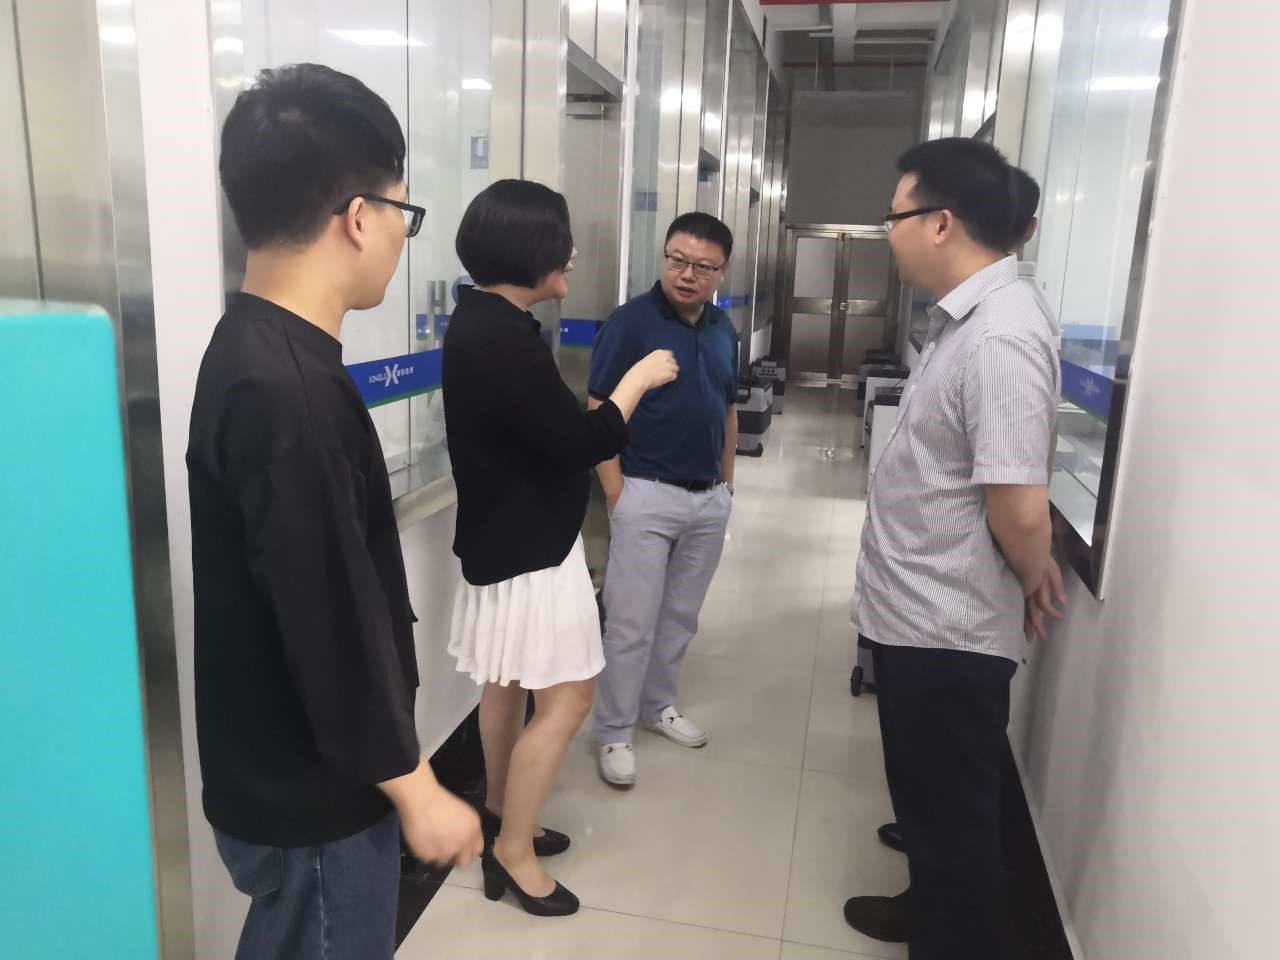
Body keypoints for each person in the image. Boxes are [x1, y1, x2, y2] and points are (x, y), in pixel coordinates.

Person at [188, 64, 483, 960]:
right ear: (359, 216)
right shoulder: (291, 392)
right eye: (403, 212)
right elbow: (326, 616)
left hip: (283, 768)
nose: (399, 235)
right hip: (316, 793)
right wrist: (416, 787)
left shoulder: (252, 347)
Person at [844, 138, 1066, 959]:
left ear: (940, 222)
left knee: (956, 816)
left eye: (895, 215)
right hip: (917, 613)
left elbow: (1019, 504)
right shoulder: (966, 320)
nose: (889, 232)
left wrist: (1033, 574)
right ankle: (927, 907)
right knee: (928, 803)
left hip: (948, 628)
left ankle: (956, 940)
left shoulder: (1000, 335)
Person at [442, 179, 679, 916]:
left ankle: (501, 815)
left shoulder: (483, 320)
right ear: (528, 249)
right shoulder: (503, 337)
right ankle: (513, 850)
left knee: (506, 684)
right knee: (571, 696)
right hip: (533, 552)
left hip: (502, 541)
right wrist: (636, 382)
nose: (572, 253)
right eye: (562, 240)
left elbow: (537, 431)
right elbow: (580, 442)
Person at [588, 212, 739, 788]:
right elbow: (598, 407)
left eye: (703, 267)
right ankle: (613, 730)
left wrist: (727, 483)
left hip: (708, 500)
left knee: (679, 617)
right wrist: (616, 492)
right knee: (631, 622)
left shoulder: (723, 329)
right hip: (645, 492)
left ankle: (657, 706)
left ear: (722, 272)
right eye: (677, 260)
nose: (687, 274)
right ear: (665, 258)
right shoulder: (630, 322)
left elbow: (727, 408)